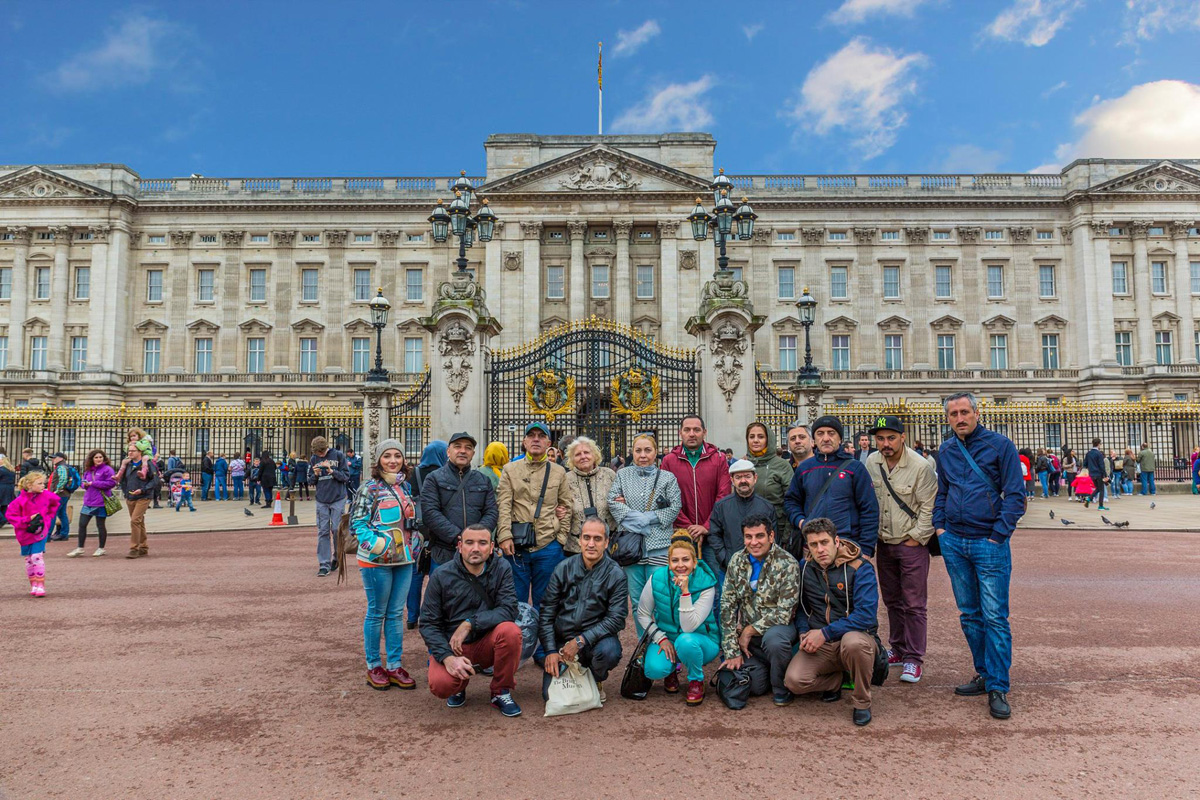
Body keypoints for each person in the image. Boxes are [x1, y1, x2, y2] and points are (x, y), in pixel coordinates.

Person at [934, 391, 1025, 721]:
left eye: (964, 412)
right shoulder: (945, 449)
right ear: (948, 418)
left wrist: (998, 534)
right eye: (953, 413)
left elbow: (1016, 496)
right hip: (954, 541)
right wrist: (940, 528)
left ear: (976, 412)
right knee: (969, 614)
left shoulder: (1001, 446)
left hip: (989, 542)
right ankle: (985, 673)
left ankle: (999, 685)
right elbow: (942, 492)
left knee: (995, 616)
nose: (959, 418)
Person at [420, 523, 523, 717]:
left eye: (482, 543)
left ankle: (500, 691)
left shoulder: (502, 568)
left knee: (511, 632)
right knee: (441, 686)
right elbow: (428, 623)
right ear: (460, 546)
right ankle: (458, 686)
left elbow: (509, 609)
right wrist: (447, 657)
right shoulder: (441, 575)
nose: (476, 548)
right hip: (454, 646)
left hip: (487, 641)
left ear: (492, 547)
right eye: (469, 543)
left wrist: (470, 623)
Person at [784, 518, 880, 727]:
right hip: (823, 642)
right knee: (794, 681)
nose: (820, 549)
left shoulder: (860, 567)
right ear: (807, 547)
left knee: (853, 643)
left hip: (856, 636)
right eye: (813, 545)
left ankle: (862, 702)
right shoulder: (806, 567)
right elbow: (801, 607)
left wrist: (825, 633)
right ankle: (836, 681)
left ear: (836, 541)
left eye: (824, 542)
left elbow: (866, 615)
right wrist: (803, 631)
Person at [864, 415, 937, 684]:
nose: (885, 443)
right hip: (884, 542)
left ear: (902, 437)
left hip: (910, 544)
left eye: (890, 438)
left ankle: (914, 658)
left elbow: (929, 506)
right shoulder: (872, 461)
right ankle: (897, 647)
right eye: (880, 438)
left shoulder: (920, 466)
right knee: (892, 600)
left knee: (914, 604)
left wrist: (916, 538)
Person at [496, 422, 572, 660]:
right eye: (532, 436)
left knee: (545, 601)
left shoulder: (559, 472)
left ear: (549, 443)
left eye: (541, 436)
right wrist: (504, 535)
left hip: (548, 545)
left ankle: (542, 649)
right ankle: (515, 649)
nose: (536, 439)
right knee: (514, 601)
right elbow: (504, 505)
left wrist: (560, 539)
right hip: (516, 546)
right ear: (525, 442)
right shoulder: (510, 469)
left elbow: (566, 506)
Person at [349, 439, 420, 691]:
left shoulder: (405, 487)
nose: (393, 460)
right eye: (387, 456)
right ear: (378, 460)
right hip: (377, 561)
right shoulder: (369, 488)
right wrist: (379, 546)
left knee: (395, 613)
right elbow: (357, 525)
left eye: (397, 456)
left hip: (403, 559)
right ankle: (373, 665)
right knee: (377, 612)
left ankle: (393, 664)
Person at [539, 517, 629, 703]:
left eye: (597, 539)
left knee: (610, 651)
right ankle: (574, 672)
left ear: (606, 543)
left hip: (595, 641)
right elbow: (547, 613)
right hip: (562, 643)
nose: (591, 544)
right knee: (549, 696)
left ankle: (595, 679)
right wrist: (550, 651)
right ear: (579, 540)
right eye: (586, 537)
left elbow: (617, 619)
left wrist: (581, 640)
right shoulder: (563, 568)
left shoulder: (616, 574)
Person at [717, 513, 800, 706]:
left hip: (779, 630)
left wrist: (749, 630)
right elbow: (727, 607)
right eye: (748, 537)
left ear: (771, 536)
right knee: (753, 687)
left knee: (775, 642)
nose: (754, 542)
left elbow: (784, 612)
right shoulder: (737, 561)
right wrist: (732, 652)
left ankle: (781, 688)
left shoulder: (788, 563)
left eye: (760, 536)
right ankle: (771, 672)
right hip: (751, 642)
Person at [608, 432, 683, 635]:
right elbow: (613, 502)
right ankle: (643, 646)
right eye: (638, 450)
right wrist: (639, 518)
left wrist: (645, 519)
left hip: (658, 547)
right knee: (638, 601)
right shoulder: (622, 475)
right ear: (632, 452)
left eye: (647, 450)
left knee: (661, 599)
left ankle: (664, 645)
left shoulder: (667, 478)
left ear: (655, 452)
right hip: (631, 549)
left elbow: (675, 506)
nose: (643, 455)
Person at [636, 532, 720, 705]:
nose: (680, 565)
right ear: (668, 562)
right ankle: (671, 670)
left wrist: (685, 592)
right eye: (675, 560)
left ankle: (696, 681)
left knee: (685, 640)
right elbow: (642, 614)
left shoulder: (706, 583)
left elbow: (689, 627)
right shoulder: (657, 578)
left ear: (694, 562)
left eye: (686, 559)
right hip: (669, 639)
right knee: (653, 669)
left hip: (702, 641)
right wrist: (661, 638)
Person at [784, 415, 879, 557]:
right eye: (820, 433)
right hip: (814, 546)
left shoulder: (855, 468)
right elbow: (791, 501)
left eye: (831, 433)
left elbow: (869, 509)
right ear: (814, 440)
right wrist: (801, 522)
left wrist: (865, 549)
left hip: (847, 545)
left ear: (840, 438)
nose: (826, 438)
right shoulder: (804, 468)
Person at [421, 432, 499, 570]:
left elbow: (491, 511)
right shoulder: (434, 478)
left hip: (477, 554)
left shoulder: (483, 480)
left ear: (473, 453)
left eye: (468, 448)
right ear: (448, 451)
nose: (463, 451)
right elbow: (430, 513)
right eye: (458, 446)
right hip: (444, 553)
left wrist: (475, 537)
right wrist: (459, 537)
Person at [660, 414, 731, 556]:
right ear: (680, 433)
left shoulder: (718, 459)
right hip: (680, 533)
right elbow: (665, 499)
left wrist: (706, 526)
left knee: (713, 576)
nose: (692, 434)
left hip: (713, 534)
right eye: (687, 430)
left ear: (704, 432)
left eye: (696, 430)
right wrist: (688, 527)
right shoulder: (669, 461)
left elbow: (723, 495)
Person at [705, 459, 775, 587]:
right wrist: (725, 559)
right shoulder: (721, 506)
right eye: (738, 477)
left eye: (747, 476)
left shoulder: (767, 507)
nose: (743, 481)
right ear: (732, 480)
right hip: (728, 570)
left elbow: (774, 538)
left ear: (755, 478)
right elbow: (714, 535)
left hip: (761, 570)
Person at [406, 440, 448, 629]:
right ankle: (430, 615)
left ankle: (412, 616)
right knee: (436, 576)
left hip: (417, 530)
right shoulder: (444, 474)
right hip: (437, 531)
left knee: (415, 576)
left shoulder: (414, 474)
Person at [561, 436, 617, 556]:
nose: (583, 456)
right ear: (572, 459)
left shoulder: (609, 475)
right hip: (575, 547)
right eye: (578, 454)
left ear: (595, 455)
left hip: (607, 545)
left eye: (586, 452)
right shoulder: (565, 479)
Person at [7, 471, 59, 596]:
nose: (43, 486)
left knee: (36, 556)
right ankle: (34, 584)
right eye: (40, 483)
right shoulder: (19, 501)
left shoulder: (47, 495)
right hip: (25, 533)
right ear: (29, 485)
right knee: (29, 559)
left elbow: (56, 502)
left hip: (41, 531)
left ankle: (41, 585)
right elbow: (10, 516)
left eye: (43, 483)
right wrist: (27, 520)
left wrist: (48, 517)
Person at [308, 436, 349, 578]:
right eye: (317, 453)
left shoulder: (338, 455)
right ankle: (324, 564)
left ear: (326, 448)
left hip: (337, 498)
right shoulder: (313, 459)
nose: (319, 455)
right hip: (321, 499)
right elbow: (310, 481)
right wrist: (315, 474)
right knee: (323, 531)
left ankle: (337, 557)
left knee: (337, 529)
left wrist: (332, 471)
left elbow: (346, 477)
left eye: (321, 453)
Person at [745, 422, 793, 538]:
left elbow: (791, 501)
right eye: (752, 437)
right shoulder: (744, 465)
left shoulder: (782, 465)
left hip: (776, 529)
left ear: (768, 439)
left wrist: (786, 536)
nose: (755, 440)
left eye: (760, 437)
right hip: (749, 531)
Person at [68, 449, 117, 557]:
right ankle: (80, 548)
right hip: (88, 501)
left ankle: (101, 548)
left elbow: (111, 483)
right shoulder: (88, 471)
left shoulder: (107, 469)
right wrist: (84, 485)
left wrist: (93, 483)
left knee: (100, 525)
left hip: (101, 502)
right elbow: (83, 482)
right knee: (82, 524)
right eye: (96, 457)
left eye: (100, 457)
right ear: (92, 459)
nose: (99, 459)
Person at [116, 444, 160, 559]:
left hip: (144, 496)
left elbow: (155, 481)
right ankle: (143, 547)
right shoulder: (128, 464)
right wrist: (126, 492)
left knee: (135, 521)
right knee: (139, 522)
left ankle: (134, 548)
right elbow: (123, 480)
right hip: (130, 497)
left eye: (133, 451)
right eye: (129, 451)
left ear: (140, 452)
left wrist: (143, 490)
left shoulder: (148, 464)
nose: (130, 453)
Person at [47, 452, 73, 541]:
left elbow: (62, 480)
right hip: (64, 494)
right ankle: (64, 534)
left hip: (59, 495)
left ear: (61, 458)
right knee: (62, 514)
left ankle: (47, 536)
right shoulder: (62, 466)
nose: (52, 459)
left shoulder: (61, 467)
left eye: (55, 457)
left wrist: (55, 491)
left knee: (52, 514)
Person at [1084, 438, 1110, 511]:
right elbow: (1101, 465)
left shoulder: (1088, 453)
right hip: (1099, 474)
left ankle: (1089, 498)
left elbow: (1085, 464)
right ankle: (1100, 506)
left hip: (1092, 474)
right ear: (1098, 444)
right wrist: (1105, 475)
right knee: (1101, 489)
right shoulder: (1099, 453)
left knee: (1098, 488)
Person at [0, 453, 15, 528]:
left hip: (2, 488)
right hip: (9, 488)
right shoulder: (11, 469)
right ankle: (3, 520)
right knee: (4, 505)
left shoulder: (1, 469)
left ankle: (2, 519)